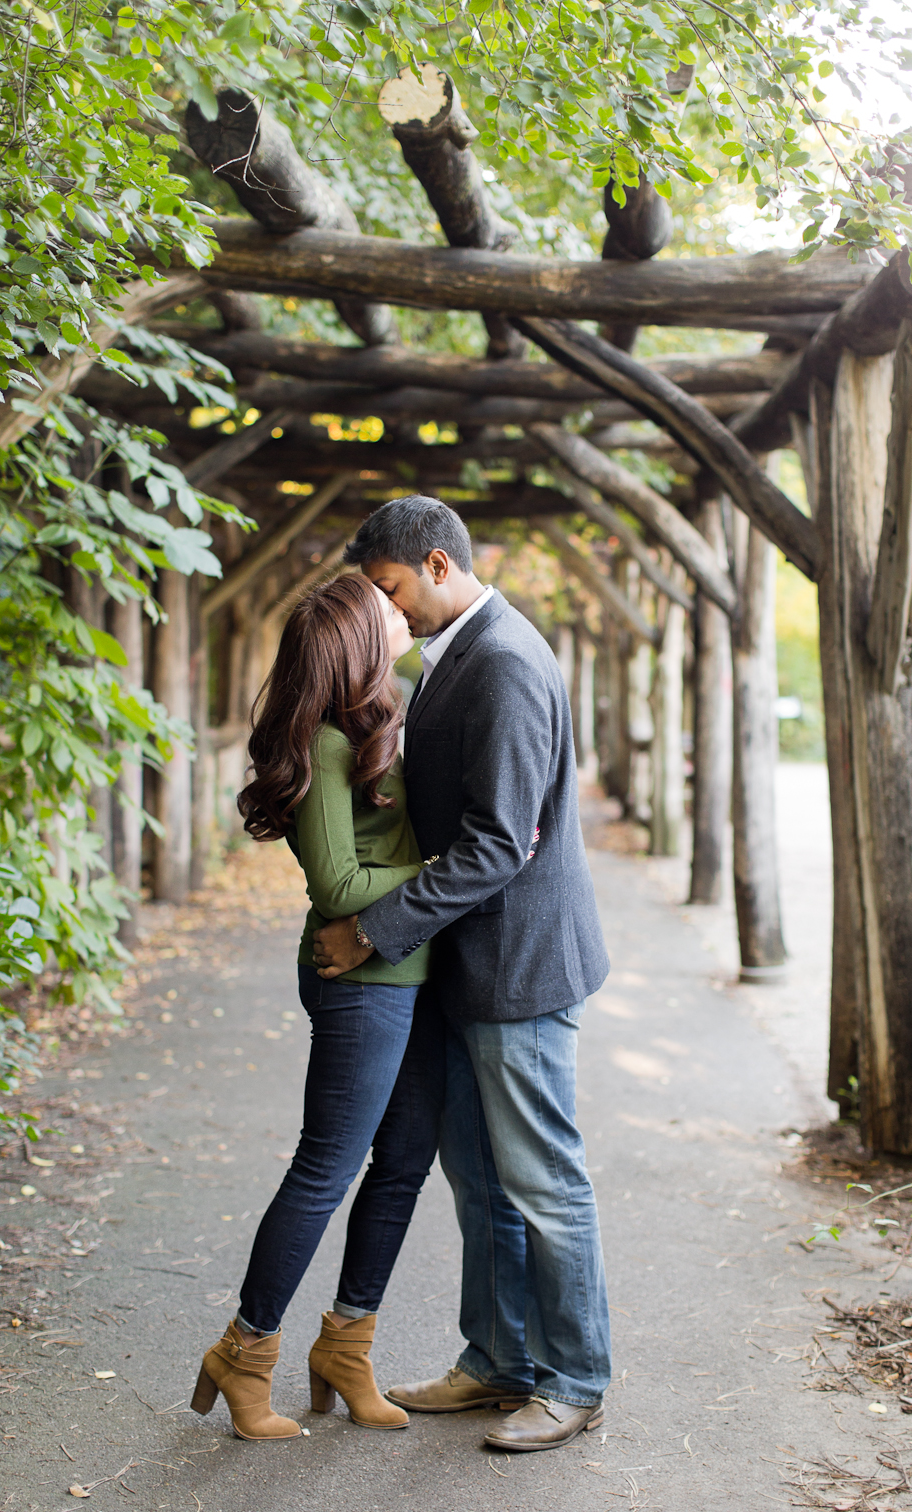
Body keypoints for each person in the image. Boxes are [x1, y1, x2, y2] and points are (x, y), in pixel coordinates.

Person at [312, 496, 613, 1453]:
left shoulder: (508, 663)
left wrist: (374, 930)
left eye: (393, 590)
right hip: (469, 963)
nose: (387, 614)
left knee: (542, 1181)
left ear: (439, 566)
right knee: (479, 1179)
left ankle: (574, 1379)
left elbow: (497, 848)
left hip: (518, 967)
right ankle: (498, 1362)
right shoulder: (458, 651)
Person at [191, 573, 443, 1441]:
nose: (396, 612)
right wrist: (453, 874)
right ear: (351, 646)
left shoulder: (385, 714)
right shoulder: (327, 743)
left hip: (408, 973)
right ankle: (245, 1352)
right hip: (361, 986)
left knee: (405, 1160)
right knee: (325, 1172)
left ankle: (347, 1345)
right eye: (380, 611)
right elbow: (338, 884)